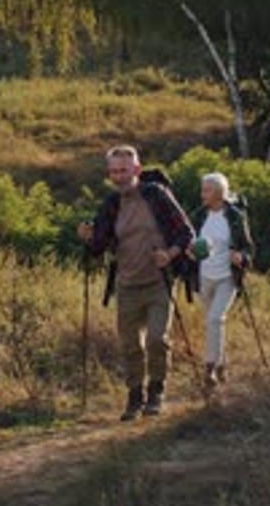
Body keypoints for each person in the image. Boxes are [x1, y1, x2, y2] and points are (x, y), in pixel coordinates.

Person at [78, 146, 194, 421]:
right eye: (114, 171)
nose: (119, 176)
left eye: (124, 170)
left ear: (137, 170)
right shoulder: (112, 204)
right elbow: (99, 247)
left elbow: (185, 232)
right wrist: (86, 236)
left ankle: (156, 392)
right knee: (130, 345)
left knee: (156, 339)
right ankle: (134, 396)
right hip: (127, 283)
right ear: (109, 174)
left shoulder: (157, 196)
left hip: (159, 281)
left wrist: (170, 255)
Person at [191, 172, 254, 390]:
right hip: (203, 276)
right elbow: (189, 243)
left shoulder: (236, 216)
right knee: (213, 323)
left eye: (206, 190)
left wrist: (242, 257)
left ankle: (209, 368)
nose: (202, 194)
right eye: (203, 189)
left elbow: (248, 248)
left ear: (219, 193)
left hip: (227, 277)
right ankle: (222, 364)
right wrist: (189, 251)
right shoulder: (198, 216)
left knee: (215, 319)